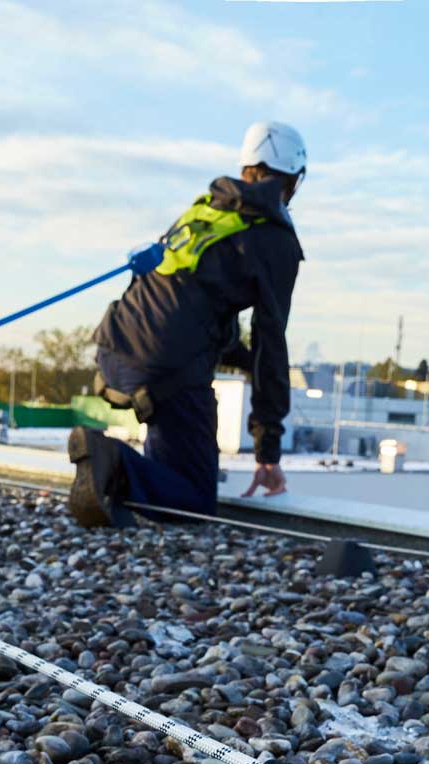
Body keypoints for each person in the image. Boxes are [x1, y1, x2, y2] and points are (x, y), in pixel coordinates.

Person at [69, 121, 306, 528]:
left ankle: (115, 477)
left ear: (246, 167)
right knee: (193, 501)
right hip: (167, 367)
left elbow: (186, 300)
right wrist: (268, 448)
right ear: (294, 181)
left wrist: (238, 357)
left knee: (172, 470)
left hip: (116, 346)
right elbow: (272, 342)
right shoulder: (274, 238)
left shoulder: (206, 211)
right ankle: (110, 460)